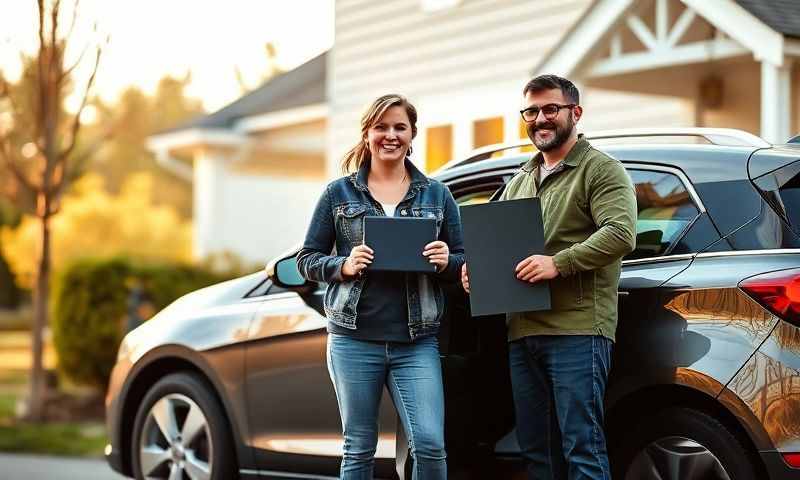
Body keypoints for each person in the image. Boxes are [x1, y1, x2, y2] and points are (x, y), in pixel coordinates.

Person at [461, 75, 636, 480]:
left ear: (575, 112)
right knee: (537, 453)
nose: (540, 118)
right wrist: (478, 272)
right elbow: (494, 241)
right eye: (531, 111)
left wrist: (558, 262)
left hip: (576, 331)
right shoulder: (520, 180)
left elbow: (620, 233)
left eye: (550, 109)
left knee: (582, 447)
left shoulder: (601, 169)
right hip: (522, 333)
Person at [297, 94, 464, 480]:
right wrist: (344, 264)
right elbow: (306, 260)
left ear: (412, 135)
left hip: (417, 341)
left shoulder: (437, 195)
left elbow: (464, 264)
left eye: (399, 127)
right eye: (382, 127)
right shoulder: (337, 194)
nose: (391, 135)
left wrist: (446, 262)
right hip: (353, 340)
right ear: (367, 134)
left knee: (430, 446)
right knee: (358, 447)